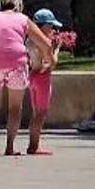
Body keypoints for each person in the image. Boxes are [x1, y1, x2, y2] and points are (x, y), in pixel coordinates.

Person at [0, 0, 51, 157]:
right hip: (16, 63)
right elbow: (45, 44)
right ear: (18, 5)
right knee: (15, 107)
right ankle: (10, 146)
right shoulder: (23, 19)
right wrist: (48, 61)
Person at [25, 8, 64, 155]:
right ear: (43, 25)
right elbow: (51, 63)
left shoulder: (30, 41)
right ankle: (34, 146)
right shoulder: (44, 42)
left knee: (36, 113)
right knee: (41, 113)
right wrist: (57, 49)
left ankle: (33, 144)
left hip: (32, 76)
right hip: (42, 78)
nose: (52, 29)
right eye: (50, 25)